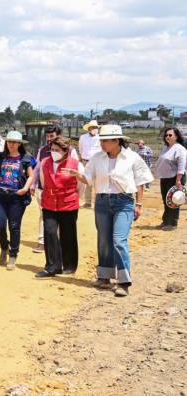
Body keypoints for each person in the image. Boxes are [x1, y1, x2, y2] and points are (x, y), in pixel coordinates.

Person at [65, 124, 153, 297]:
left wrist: (139, 204)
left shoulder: (132, 157)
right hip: (102, 202)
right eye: (101, 140)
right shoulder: (97, 158)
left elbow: (140, 181)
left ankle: (124, 282)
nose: (102, 144)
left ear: (116, 141)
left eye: (105, 141)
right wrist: (77, 175)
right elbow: (88, 179)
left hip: (124, 202)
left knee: (119, 240)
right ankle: (104, 277)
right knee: (104, 240)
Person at [36, 136, 82, 278]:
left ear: (65, 151)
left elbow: (81, 185)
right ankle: (52, 266)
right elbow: (43, 181)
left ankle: (69, 266)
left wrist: (73, 197)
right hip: (49, 203)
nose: (53, 152)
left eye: (57, 150)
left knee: (68, 235)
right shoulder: (45, 162)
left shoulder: (75, 164)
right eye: (52, 149)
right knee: (49, 233)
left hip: (68, 204)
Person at [30, 124, 78, 253]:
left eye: (51, 136)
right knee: (44, 216)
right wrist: (33, 184)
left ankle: (60, 243)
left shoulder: (70, 150)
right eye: (47, 136)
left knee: (62, 219)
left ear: (58, 136)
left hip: (64, 193)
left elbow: (76, 170)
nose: (49, 138)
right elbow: (37, 168)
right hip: (44, 190)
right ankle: (42, 242)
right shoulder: (42, 150)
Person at [0, 131, 35, 270]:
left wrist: (25, 188)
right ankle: (4, 247)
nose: (11, 144)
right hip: (0, 196)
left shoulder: (26, 158)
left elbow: (31, 176)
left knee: (14, 226)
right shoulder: (0, 156)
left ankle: (13, 254)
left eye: (14, 142)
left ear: (19, 144)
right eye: (9, 141)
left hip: (17, 197)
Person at [153, 128, 186, 230]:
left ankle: (172, 223)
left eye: (170, 135)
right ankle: (166, 221)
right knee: (166, 200)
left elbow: (181, 166)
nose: (167, 137)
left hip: (175, 177)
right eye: (166, 135)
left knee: (174, 201)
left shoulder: (180, 149)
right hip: (165, 177)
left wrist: (178, 180)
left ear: (176, 136)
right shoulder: (165, 148)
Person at [78, 120, 102, 207]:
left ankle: (98, 202)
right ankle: (88, 202)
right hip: (86, 161)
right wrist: (83, 156)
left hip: (98, 162)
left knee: (98, 182)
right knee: (87, 181)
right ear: (89, 128)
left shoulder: (100, 138)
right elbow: (80, 149)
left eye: (96, 127)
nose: (94, 129)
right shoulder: (83, 137)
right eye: (93, 127)